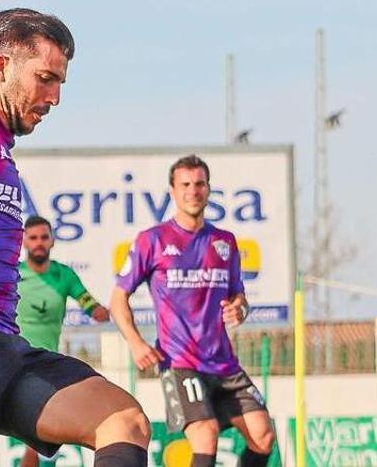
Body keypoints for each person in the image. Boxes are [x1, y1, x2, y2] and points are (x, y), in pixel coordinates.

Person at [0, 8, 150, 467]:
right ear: (1, 67)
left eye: (60, 83)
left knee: (123, 420)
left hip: (5, 345)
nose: (54, 97)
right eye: (45, 78)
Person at [110, 155, 275, 467]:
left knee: (263, 437)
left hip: (224, 364)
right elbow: (119, 298)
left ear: (208, 189)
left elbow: (238, 296)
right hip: (180, 362)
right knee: (205, 433)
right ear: (172, 191)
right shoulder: (153, 240)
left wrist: (240, 307)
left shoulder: (224, 242)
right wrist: (136, 342)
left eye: (199, 184)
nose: (193, 191)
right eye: (185, 184)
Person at [16, 215, 111, 467]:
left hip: (46, 365)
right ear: (24, 241)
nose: (39, 243)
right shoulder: (14, 274)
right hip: (12, 362)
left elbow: (86, 301)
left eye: (43, 237)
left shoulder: (64, 275)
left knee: (42, 436)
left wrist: (98, 311)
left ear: (52, 241)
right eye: (33, 238)